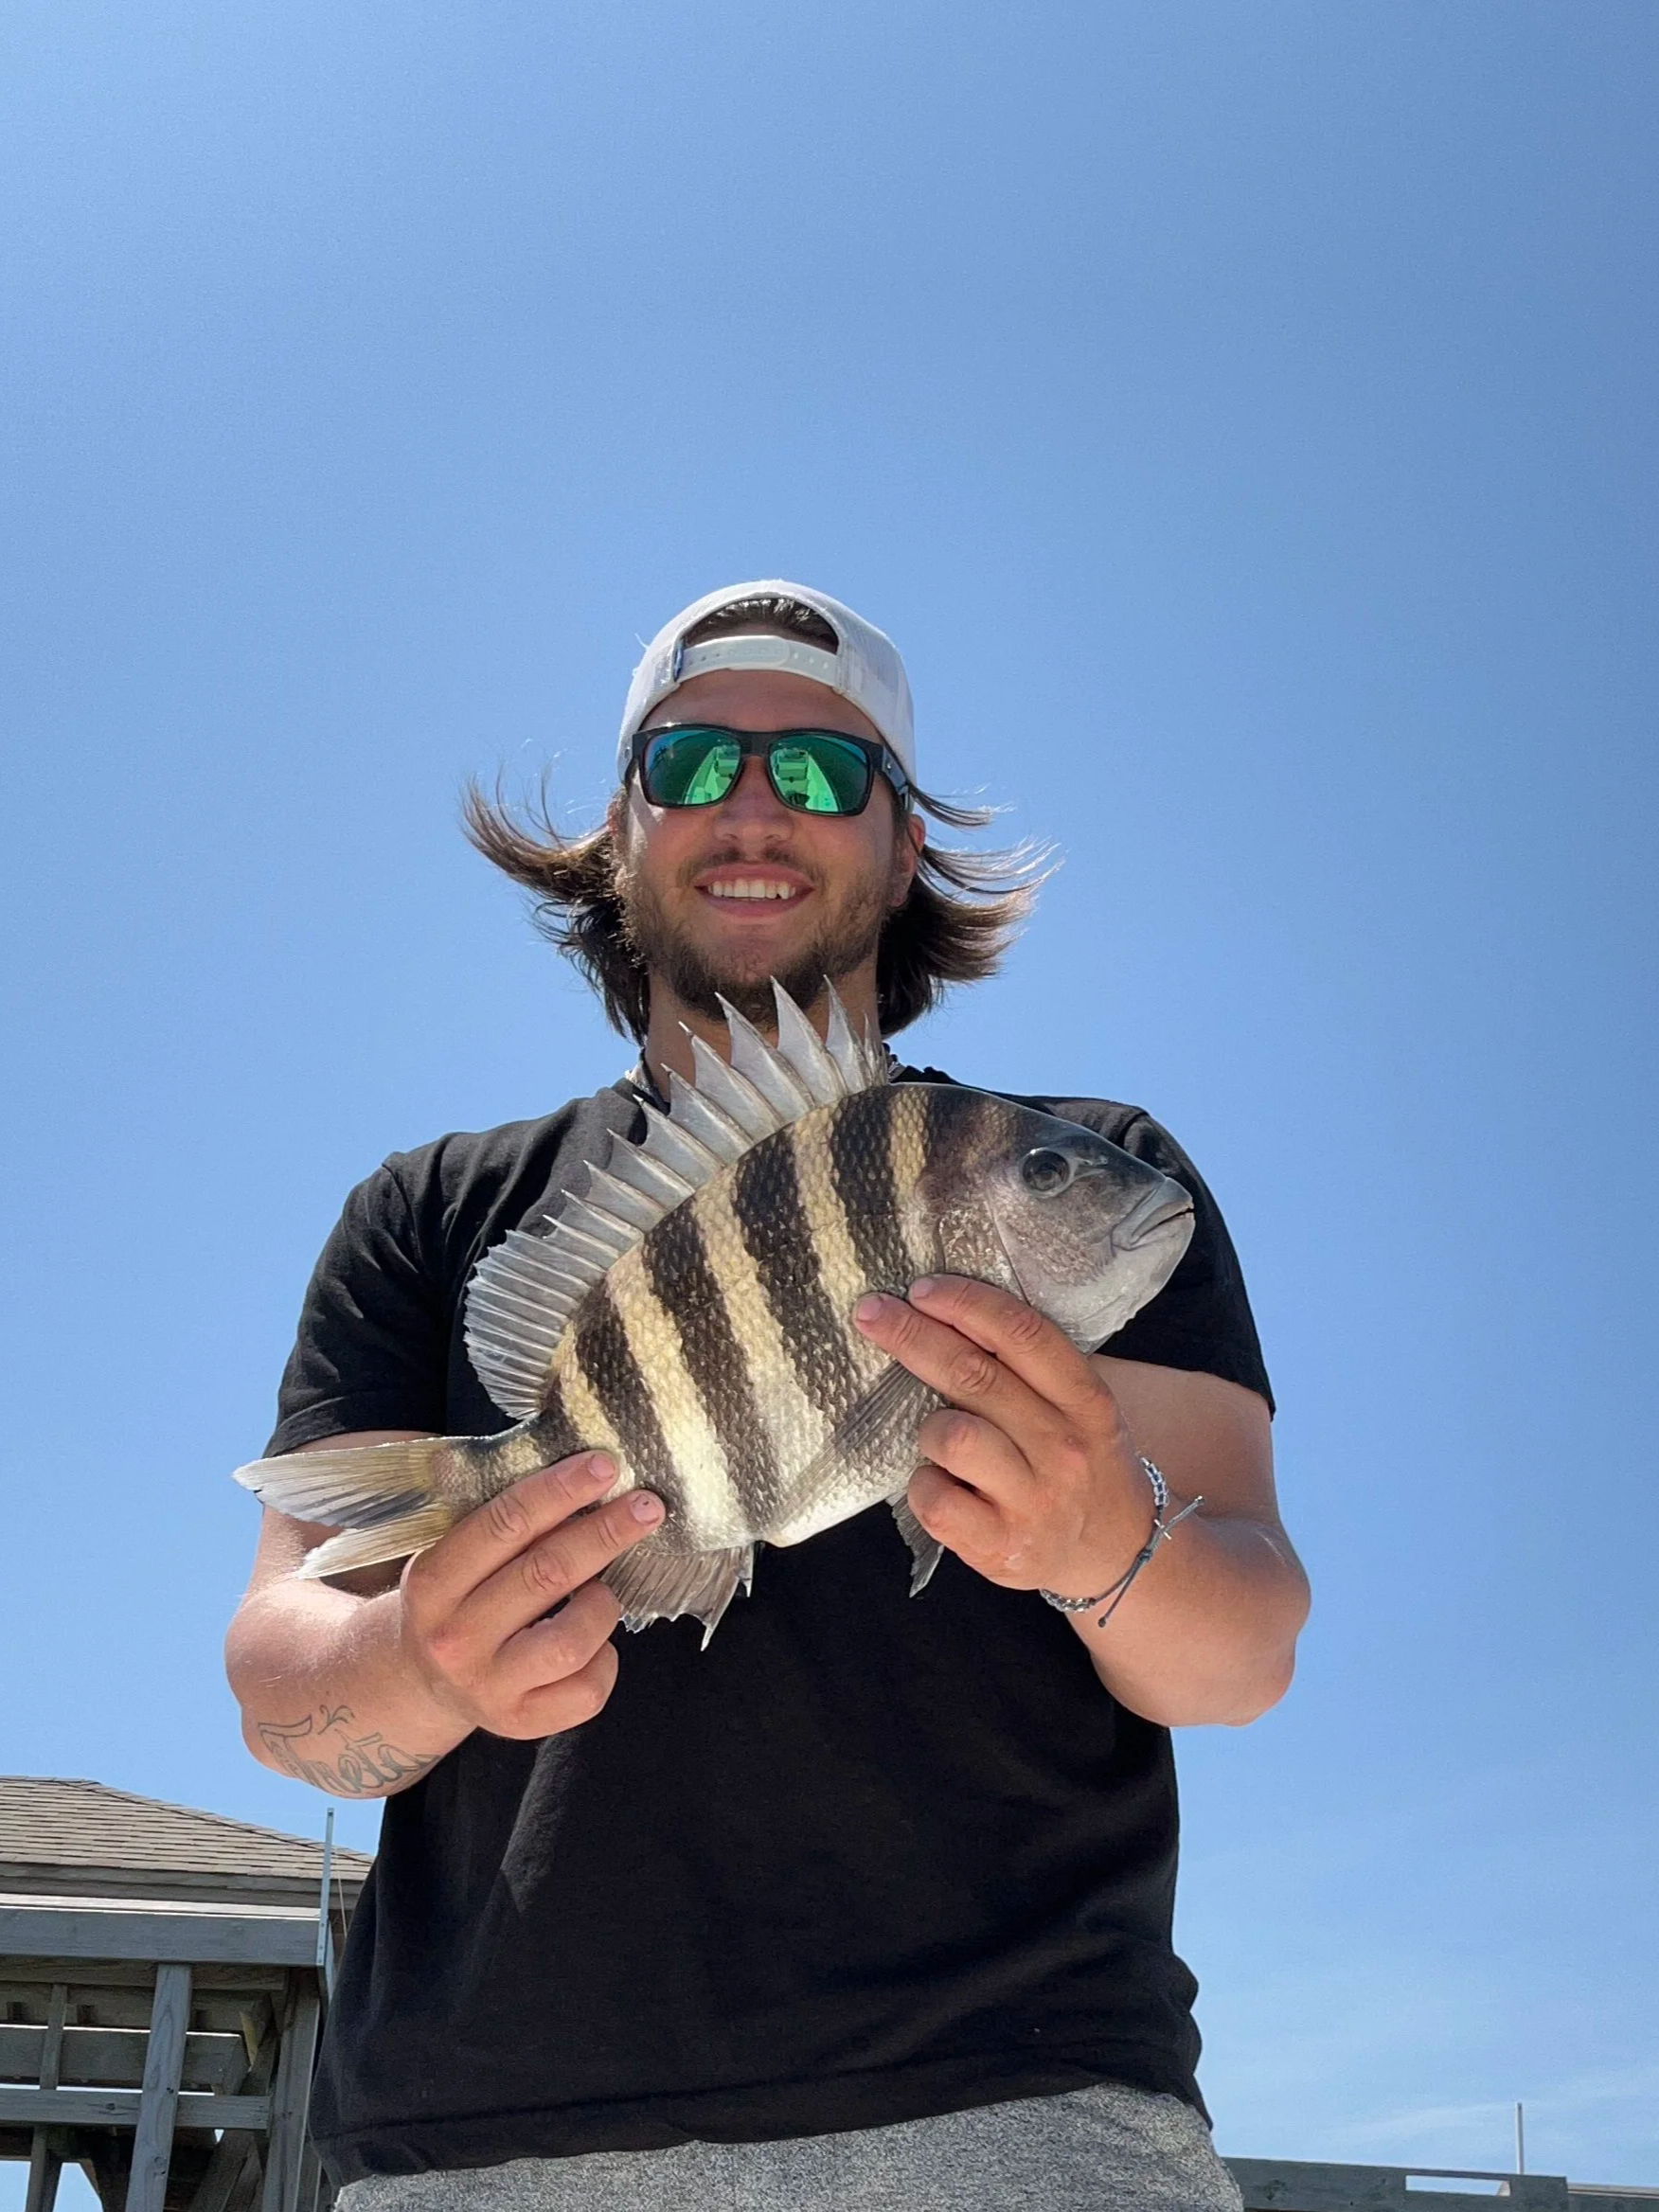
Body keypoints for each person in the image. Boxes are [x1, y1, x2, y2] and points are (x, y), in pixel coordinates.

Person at [225, 580, 1309, 2212]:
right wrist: (415, 1653)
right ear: (620, 829)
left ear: (904, 844)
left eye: (820, 771)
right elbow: (279, 1687)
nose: (752, 803)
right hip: (485, 2142)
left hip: (1020, 2117)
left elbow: (1245, 1652)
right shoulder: (430, 1213)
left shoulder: (1099, 1174)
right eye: (692, 761)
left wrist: (1108, 1540)